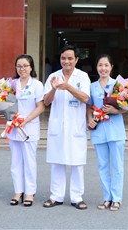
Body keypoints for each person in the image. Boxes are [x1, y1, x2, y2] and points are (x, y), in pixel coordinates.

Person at [42, 45, 91, 210]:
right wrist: (54, 89)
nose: (66, 61)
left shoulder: (83, 76)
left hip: (76, 126)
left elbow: (85, 98)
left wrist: (68, 87)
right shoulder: (53, 76)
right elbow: (46, 101)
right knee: (57, 162)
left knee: (77, 163)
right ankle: (56, 196)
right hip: (58, 125)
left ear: (76, 60)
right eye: (63, 58)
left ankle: (77, 197)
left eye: (70, 58)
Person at [87, 54, 126, 212]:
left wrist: (115, 111)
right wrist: (89, 120)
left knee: (117, 165)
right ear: (96, 67)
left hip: (115, 130)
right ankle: (107, 198)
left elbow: (127, 107)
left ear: (111, 67)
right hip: (99, 130)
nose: (103, 68)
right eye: (100, 65)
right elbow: (88, 106)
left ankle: (117, 198)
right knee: (102, 165)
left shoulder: (118, 85)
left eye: (106, 65)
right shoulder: (92, 86)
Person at [7, 54, 45, 207]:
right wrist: (1, 112)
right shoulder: (11, 84)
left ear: (31, 67)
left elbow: (41, 107)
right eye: (19, 66)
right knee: (16, 162)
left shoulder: (37, 85)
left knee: (29, 162)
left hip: (29, 128)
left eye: (25, 66)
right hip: (13, 128)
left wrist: (26, 120)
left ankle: (29, 192)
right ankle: (18, 191)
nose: (22, 69)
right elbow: (6, 104)